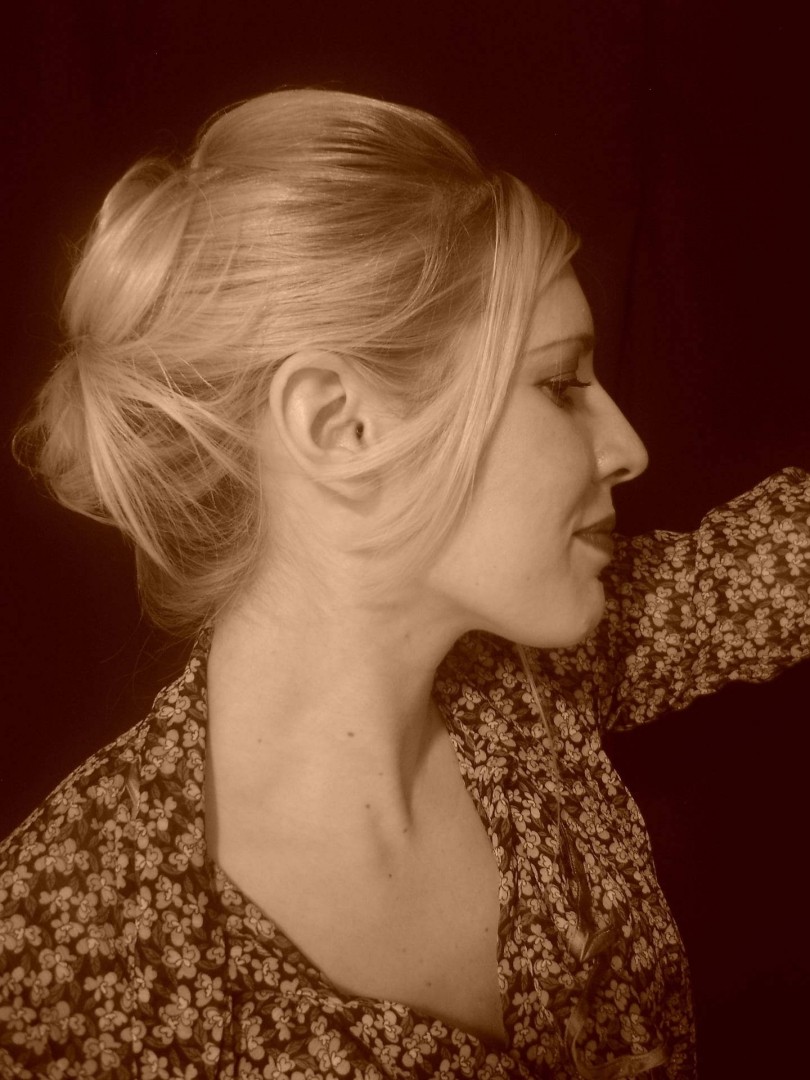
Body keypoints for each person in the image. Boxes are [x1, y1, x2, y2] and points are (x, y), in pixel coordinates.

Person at [0, 88, 806, 1080]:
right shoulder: (56, 964)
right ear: (339, 425)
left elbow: (777, 563)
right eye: (560, 384)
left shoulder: (535, 688)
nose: (627, 447)